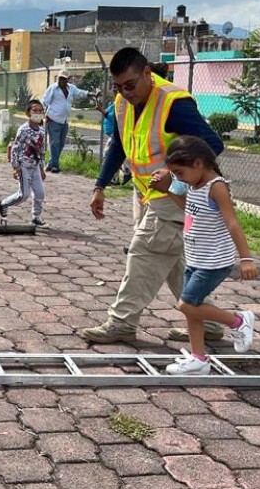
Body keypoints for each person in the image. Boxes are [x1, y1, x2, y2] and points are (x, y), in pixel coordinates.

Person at [82, 47, 225, 344]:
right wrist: (100, 186)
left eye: (130, 85)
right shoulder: (123, 103)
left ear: (147, 73)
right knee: (174, 262)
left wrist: (174, 175)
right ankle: (207, 322)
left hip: (174, 194)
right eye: (118, 86)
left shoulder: (174, 103)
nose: (125, 92)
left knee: (144, 252)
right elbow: (119, 146)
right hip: (149, 194)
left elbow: (212, 144)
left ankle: (121, 322)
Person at [153, 135, 256, 375]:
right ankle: (199, 359)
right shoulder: (194, 185)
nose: (178, 177)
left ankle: (238, 321)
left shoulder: (217, 187)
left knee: (186, 305)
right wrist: (167, 189)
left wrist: (246, 258)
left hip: (214, 262)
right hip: (196, 258)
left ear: (198, 163)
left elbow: (232, 223)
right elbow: (189, 209)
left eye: (179, 172)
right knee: (192, 308)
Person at [0, 99, 47, 226]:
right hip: (24, 166)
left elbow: (41, 151)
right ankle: (3, 204)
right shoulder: (23, 130)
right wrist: (16, 166)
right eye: (35, 110)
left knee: (40, 193)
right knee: (24, 195)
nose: (38, 113)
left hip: (35, 167)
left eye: (40, 111)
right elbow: (15, 148)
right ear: (28, 113)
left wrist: (41, 168)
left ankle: (36, 217)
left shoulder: (41, 131)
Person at [42, 70, 98, 173]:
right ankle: (55, 165)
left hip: (64, 121)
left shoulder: (71, 88)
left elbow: (80, 93)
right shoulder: (53, 89)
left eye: (64, 79)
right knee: (54, 143)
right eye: (60, 78)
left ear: (67, 80)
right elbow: (44, 101)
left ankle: (50, 164)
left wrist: (91, 94)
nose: (61, 81)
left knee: (61, 144)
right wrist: (39, 113)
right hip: (53, 119)